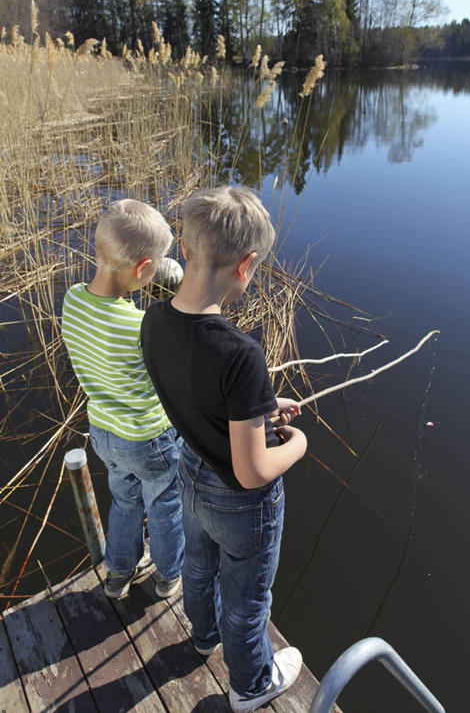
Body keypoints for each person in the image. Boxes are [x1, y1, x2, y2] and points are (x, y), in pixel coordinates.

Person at [141, 185, 308, 713]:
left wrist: (258, 405)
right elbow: (253, 470)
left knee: (198, 565)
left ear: (186, 250)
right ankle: (251, 685)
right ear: (247, 265)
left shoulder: (153, 321)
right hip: (240, 502)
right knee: (248, 600)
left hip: (190, 473)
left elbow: (197, 393)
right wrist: (297, 446)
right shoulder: (241, 353)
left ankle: (203, 636)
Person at [61, 199, 184, 600]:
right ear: (143, 269)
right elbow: (171, 377)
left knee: (125, 502)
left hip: (103, 435)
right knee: (165, 506)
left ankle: (118, 575)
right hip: (148, 438)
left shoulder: (72, 300)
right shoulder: (142, 326)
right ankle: (168, 576)